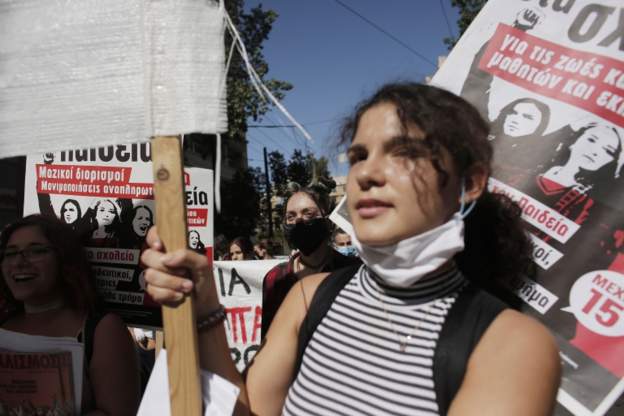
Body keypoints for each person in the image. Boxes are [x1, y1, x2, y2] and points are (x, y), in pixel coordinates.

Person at [141, 83, 560, 415]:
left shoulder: (512, 345)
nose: (366, 173)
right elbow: (246, 411)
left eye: (404, 152)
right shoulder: (308, 298)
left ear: (468, 184)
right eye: (358, 156)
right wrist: (204, 305)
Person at [0, 214, 140, 415]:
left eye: (36, 251)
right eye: (10, 253)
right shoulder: (3, 323)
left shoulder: (102, 330)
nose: (19, 262)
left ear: (64, 259)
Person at [260, 187, 360, 336]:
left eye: (308, 214)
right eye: (291, 217)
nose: (299, 221)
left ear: (328, 221)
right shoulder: (275, 279)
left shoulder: (354, 272)